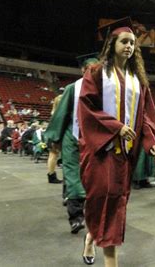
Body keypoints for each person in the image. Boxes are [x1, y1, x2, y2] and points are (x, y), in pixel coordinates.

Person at [78, 18, 155, 267]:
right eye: (124, 41)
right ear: (112, 43)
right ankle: (93, 239)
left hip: (124, 156)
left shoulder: (138, 81)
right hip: (101, 151)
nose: (129, 46)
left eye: (133, 43)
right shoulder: (95, 73)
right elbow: (86, 107)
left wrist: (152, 142)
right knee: (100, 200)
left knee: (115, 203)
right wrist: (116, 128)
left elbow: (145, 117)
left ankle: (99, 245)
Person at [45, 55, 99, 234]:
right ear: (83, 71)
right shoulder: (72, 88)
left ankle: (92, 212)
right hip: (72, 137)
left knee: (93, 176)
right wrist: (55, 138)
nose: (95, 72)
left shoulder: (105, 89)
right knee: (72, 174)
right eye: (91, 69)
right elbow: (61, 114)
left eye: (97, 69)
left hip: (94, 140)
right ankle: (76, 217)